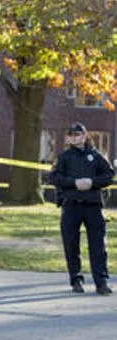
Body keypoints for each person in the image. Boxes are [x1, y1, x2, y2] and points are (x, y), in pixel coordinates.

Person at [50, 122, 114, 295]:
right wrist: (74, 183)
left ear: (85, 136)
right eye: (71, 135)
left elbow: (109, 175)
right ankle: (76, 280)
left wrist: (92, 182)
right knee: (71, 244)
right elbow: (54, 177)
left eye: (78, 135)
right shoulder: (64, 157)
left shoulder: (96, 156)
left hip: (93, 205)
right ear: (68, 138)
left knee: (98, 245)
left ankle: (101, 282)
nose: (75, 138)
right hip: (71, 205)